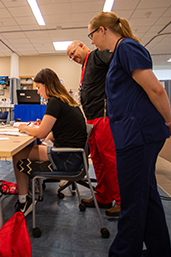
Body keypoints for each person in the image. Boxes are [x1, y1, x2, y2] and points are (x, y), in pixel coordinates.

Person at [88, 11, 171, 256]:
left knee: (132, 201)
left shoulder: (126, 48)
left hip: (137, 136)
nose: (91, 41)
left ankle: (123, 253)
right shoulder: (120, 52)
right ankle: (159, 251)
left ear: (103, 30)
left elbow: (156, 89)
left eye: (91, 35)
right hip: (135, 134)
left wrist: (170, 122)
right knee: (147, 196)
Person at [12, 68, 87, 216]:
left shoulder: (54, 102)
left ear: (47, 85)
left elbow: (41, 133)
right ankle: (30, 190)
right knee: (33, 149)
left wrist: (24, 127)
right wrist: (44, 135)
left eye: (39, 88)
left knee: (18, 154)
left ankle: (23, 202)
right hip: (74, 156)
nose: (38, 92)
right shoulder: (66, 101)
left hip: (67, 159)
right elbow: (55, 131)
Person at [66, 40, 121, 217]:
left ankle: (121, 201)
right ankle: (103, 196)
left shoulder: (97, 55)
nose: (73, 57)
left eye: (73, 53)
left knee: (110, 159)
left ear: (81, 45)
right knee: (97, 159)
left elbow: (118, 60)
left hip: (103, 117)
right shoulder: (86, 65)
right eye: (70, 57)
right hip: (91, 119)